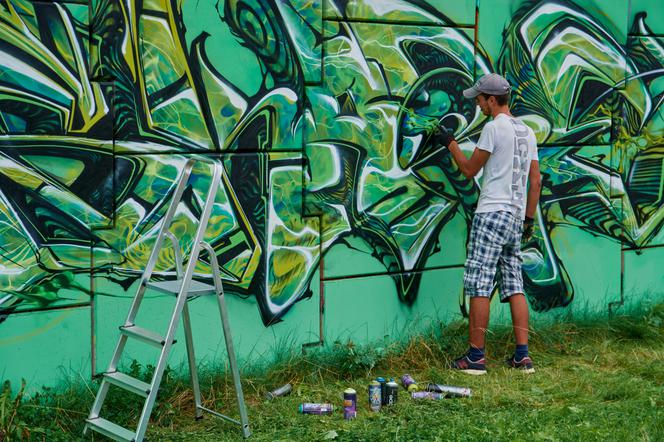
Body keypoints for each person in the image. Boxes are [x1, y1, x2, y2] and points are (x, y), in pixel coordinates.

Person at [433, 73, 541, 375]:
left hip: (491, 213)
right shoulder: (527, 132)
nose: (478, 105)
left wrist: (450, 143)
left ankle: (476, 358)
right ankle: (523, 357)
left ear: (492, 100)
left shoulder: (494, 129)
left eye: (480, 100)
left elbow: (468, 170)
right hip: (516, 216)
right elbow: (536, 180)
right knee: (514, 284)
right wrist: (528, 219)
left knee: (480, 283)